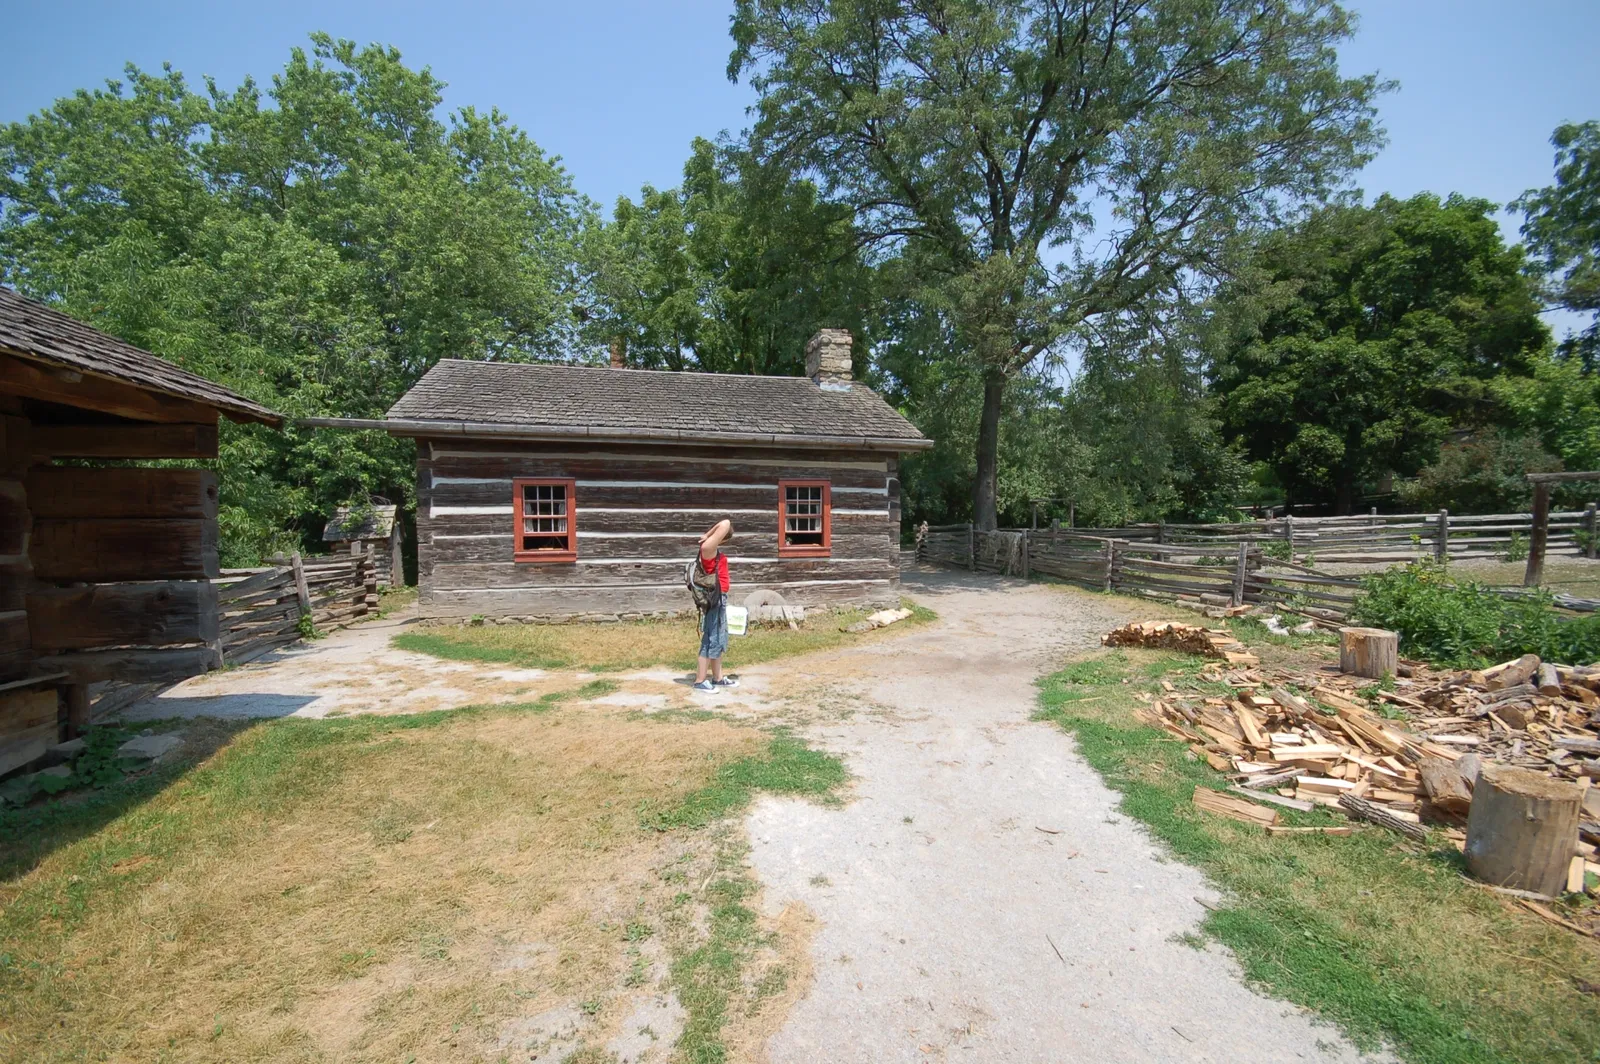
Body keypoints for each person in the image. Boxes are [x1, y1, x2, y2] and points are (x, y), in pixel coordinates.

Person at [694, 519, 738, 692]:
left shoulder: (711, 549)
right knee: (710, 638)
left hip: (719, 598)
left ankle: (717, 678)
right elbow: (726, 522)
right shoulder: (707, 549)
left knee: (717, 638)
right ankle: (699, 680)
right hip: (715, 598)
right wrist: (709, 534)